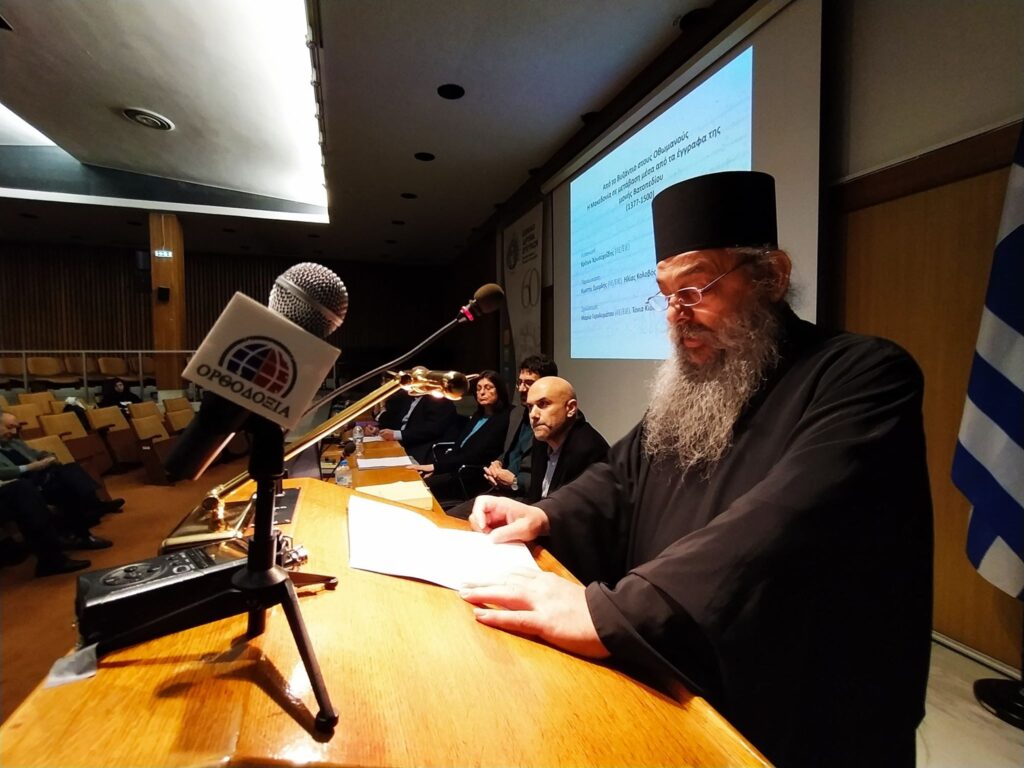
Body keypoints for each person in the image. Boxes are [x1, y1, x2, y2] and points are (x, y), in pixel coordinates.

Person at [461, 171, 933, 768]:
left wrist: (614, 613)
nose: (676, 315)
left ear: (771, 277)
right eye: (666, 295)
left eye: (695, 288)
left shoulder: (863, 374)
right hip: (677, 680)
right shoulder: (693, 388)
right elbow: (620, 479)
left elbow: (785, 523)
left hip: (792, 707)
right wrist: (544, 514)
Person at [447, 376, 608, 519]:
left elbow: (573, 516)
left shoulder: (588, 449)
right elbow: (535, 497)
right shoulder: (542, 440)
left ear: (570, 408)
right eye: (530, 407)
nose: (533, 415)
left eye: (543, 404)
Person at [0, 411, 123, 548]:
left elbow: (39, 453)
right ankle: (92, 512)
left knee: (70, 470)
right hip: (22, 487)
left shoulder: (15, 443)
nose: (14, 432)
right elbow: (2, 472)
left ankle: (85, 527)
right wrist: (29, 467)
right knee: (67, 484)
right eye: (9, 427)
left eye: (16, 428)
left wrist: (48, 457)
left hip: (42, 477)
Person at [412, 371, 511, 500]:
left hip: (471, 475)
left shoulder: (504, 418)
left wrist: (436, 467)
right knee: (413, 481)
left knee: (419, 489)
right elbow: (459, 446)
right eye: (478, 388)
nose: (481, 392)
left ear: (500, 390)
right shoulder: (479, 415)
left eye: (488, 388)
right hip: (454, 468)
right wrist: (438, 468)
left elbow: (474, 455)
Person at [481, 354, 559, 496]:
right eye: (520, 382)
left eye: (529, 383)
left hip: (527, 497)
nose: (522, 389)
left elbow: (550, 480)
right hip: (501, 491)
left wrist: (515, 482)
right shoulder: (517, 413)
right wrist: (497, 464)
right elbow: (510, 452)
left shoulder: (555, 421)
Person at [372, 389, 458, 464]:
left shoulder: (439, 401)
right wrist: (378, 430)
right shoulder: (406, 397)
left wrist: (397, 434)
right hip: (401, 444)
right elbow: (395, 420)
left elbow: (431, 430)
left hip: (420, 449)